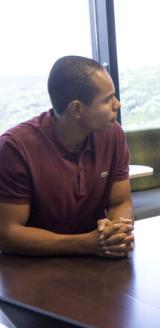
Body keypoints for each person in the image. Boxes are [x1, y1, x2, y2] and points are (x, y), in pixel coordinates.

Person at [0, 55, 134, 257]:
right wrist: (84, 244)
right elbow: (8, 235)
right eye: (107, 100)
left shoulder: (113, 134)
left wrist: (115, 232)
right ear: (77, 109)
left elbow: (120, 202)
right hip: (30, 270)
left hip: (93, 262)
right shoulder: (15, 148)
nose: (117, 104)